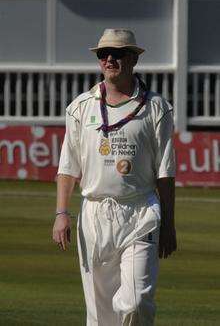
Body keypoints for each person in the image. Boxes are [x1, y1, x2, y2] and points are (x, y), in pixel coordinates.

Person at [52, 28, 177, 326]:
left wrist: (169, 224)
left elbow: (165, 172)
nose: (109, 59)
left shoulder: (156, 107)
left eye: (118, 53)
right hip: (94, 215)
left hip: (140, 213)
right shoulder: (81, 107)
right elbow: (68, 166)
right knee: (100, 313)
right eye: (103, 54)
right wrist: (61, 213)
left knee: (135, 302)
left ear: (133, 59)